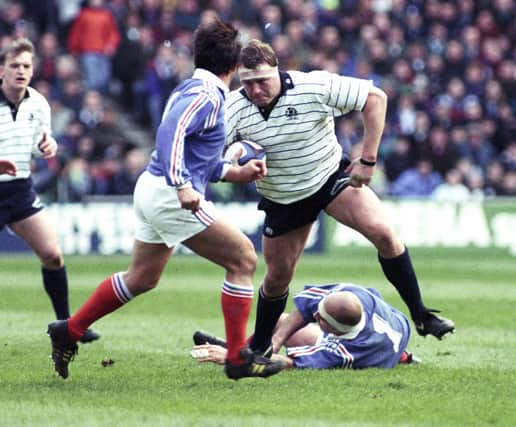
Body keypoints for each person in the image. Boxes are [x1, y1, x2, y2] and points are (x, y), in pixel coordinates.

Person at [47, 19, 286, 381]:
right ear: (235, 67)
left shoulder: (192, 88)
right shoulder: (206, 95)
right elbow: (169, 133)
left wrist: (232, 172)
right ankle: (239, 358)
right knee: (243, 258)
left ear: (196, 56)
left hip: (153, 187)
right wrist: (182, 186)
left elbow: (193, 153)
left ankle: (70, 330)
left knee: (141, 277)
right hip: (168, 193)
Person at [224, 40, 455, 357]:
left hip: (329, 177)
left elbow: (376, 98)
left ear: (278, 70)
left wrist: (368, 160)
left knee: (384, 233)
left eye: (262, 80)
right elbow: (214, 155)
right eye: (247, 83)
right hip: (283, 197)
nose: (255, 89)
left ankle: (422, 315)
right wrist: (235, 166)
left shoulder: (312, 85)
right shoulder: (233, 108)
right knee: (277, 279)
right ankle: (261, 346)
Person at [0, 38, 99, 344]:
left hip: (19, 190)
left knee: (52, 254)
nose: (20, 71)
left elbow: (40, 144)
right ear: (1, 70)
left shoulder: (39, 103)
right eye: (14, 65)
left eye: (26, 66)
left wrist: (49, 146)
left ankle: (66, 326)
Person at [192, 282, 416, 369]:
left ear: (338, 331)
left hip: (371, 348)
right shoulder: (354, 295)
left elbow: (291, 363)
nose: (315, 315)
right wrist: (276, 342)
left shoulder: (344, 351)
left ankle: (240, 352)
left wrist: (239, 360)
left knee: (281, 326)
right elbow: (308, 307)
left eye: (321, 319)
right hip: (392, 331)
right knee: (279, 322)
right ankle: (245, 346)